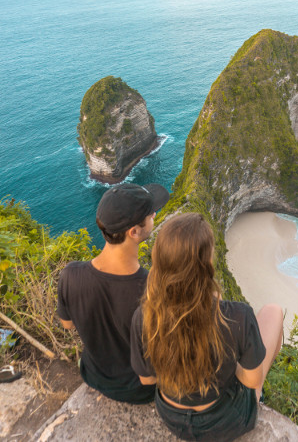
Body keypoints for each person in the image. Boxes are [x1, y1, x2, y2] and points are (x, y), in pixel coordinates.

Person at [130, 213, 283, 441]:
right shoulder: (237, 316)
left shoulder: (145, 315)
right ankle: (259, 401)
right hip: (223, 422)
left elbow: (147, 379)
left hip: (170, 414)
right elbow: (251, 381)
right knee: (274, 311)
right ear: (208, 263)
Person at [57, 182, 169, 404]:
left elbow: (67, 324)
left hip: (93, 375)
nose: (155, 214)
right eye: (150, 214)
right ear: (134, 232)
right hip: (140, 389)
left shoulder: (70, 274)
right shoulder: (153, 288)